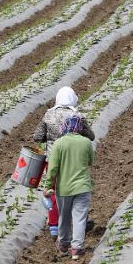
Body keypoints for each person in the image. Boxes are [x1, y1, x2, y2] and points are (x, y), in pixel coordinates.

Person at [33, 86, 95, 237]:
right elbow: (91, 136)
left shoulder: (48, 115)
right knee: (76, 187)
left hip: (52, 159)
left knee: (52, 190)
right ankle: (80, 222)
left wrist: (50, 138)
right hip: (73, 159)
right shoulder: (77, 116)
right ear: (73, 98)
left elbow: (37, 137)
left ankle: (54, 226)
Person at [42, 115, 94, 260]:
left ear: (65, 127)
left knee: (64, 217)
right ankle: (77, 248)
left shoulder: (58, 144)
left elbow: (52, 169)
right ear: (79, 128)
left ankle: (64, 245)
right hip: (83, 187)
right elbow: (90, 161)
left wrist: (47, 187)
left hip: (64, 189)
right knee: (79, 217)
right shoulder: (86, 142)